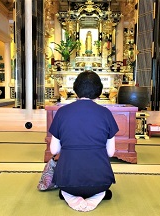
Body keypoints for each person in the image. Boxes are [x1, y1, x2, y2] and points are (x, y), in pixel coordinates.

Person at [49, 71, 119, 212]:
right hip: (101, 182)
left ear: (75, 89)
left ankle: (71, 196)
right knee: (103, 190)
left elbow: (54, 150)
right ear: (99, 90)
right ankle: (95, 196)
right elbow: (111, 153)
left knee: (65, 190)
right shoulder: (105, 113)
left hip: (67, 181)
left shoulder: (62, 112)